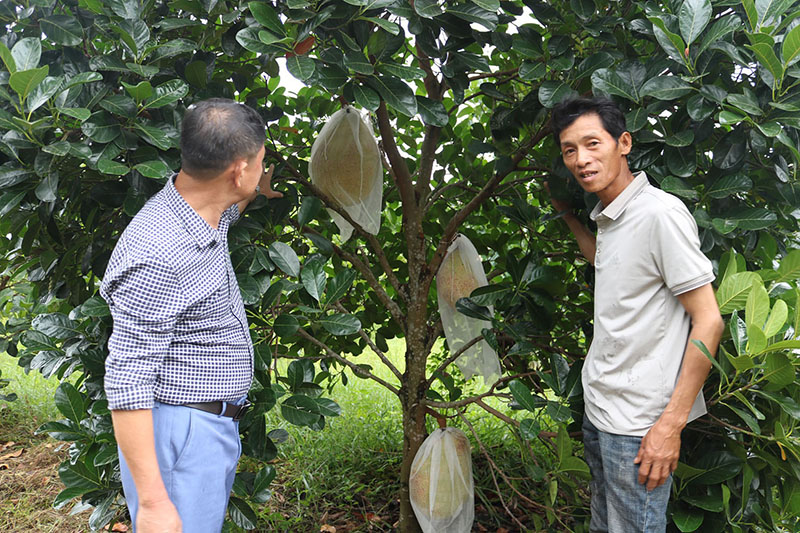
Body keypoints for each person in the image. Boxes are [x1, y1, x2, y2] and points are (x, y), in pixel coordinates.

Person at [100, 98, 282, 533]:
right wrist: (154, 502)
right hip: (181, 435)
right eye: (260, 162)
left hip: (205, 426)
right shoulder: (159, 252)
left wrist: (256, 189)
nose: (262, 168)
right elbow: (126, 381)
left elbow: (225, 215)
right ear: (237, 170)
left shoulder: (198, 210)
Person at [548, 97, 724, 532]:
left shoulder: (659, 215)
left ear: (623, 143)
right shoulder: (611, 216)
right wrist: (569, 216)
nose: (581, 159)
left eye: (592, 143)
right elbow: (609, 265)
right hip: (602, 409)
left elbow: (709, 320)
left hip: (639, 427)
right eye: (570, 150)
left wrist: (670, 425)